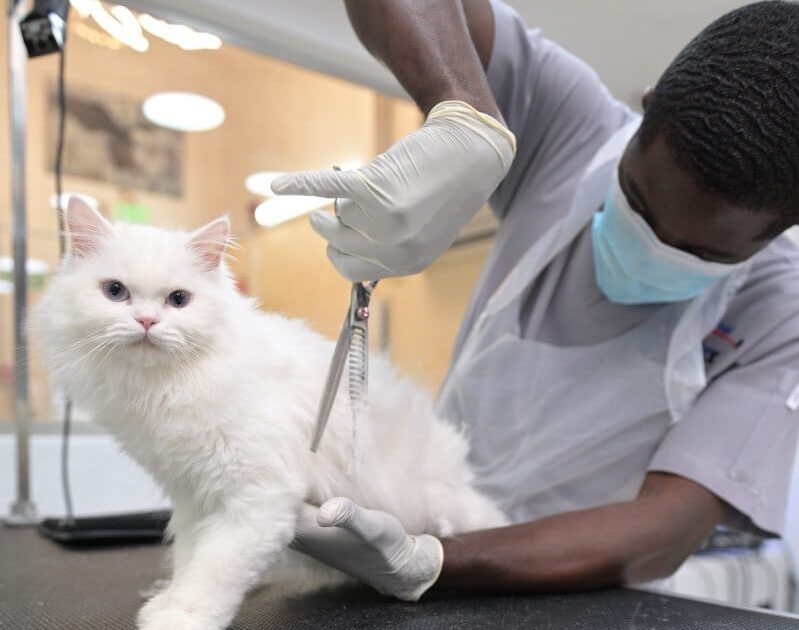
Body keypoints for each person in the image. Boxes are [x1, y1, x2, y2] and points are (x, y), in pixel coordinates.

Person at [271, 0, 799, 599]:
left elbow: (668, 526)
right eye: (638, 202)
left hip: (578, 594)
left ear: (781, 229)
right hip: (423, 523)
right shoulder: (570, 129)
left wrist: (430, 561)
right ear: (647, 107)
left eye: (701, 252)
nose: (655, 245)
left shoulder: (782, 315)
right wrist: (463, 114)